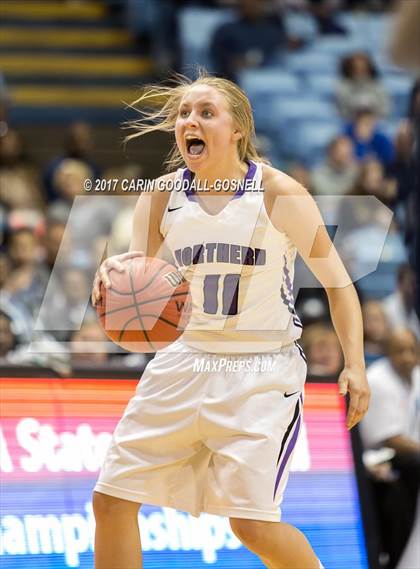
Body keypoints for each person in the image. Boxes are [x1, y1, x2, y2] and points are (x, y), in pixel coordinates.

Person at [91, 71, 370, 569]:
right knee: (110, 500)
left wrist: (356, 366)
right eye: (183, 114)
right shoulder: (159, 195)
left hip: (259, 373)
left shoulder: (278, 193)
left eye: (205, 113)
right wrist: (115, 275)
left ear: (237, 128)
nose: (189, 122)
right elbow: (144, 279)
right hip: (183, 362)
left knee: (252, 525)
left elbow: (339, 286)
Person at [359, 328, 420, 568]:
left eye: (412, 350)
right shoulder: (377, 379)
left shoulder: (416, 377)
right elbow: (390, 438)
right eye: (400, 351)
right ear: (387, 352)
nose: (407, 357)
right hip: (374, 459)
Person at [337, 52, 391, 121]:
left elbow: (385, 110)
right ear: (350, 69)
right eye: (356, 69)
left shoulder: (378, 86)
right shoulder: (343, 87)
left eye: (363, 69)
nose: (360, 73)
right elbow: (342, 111)